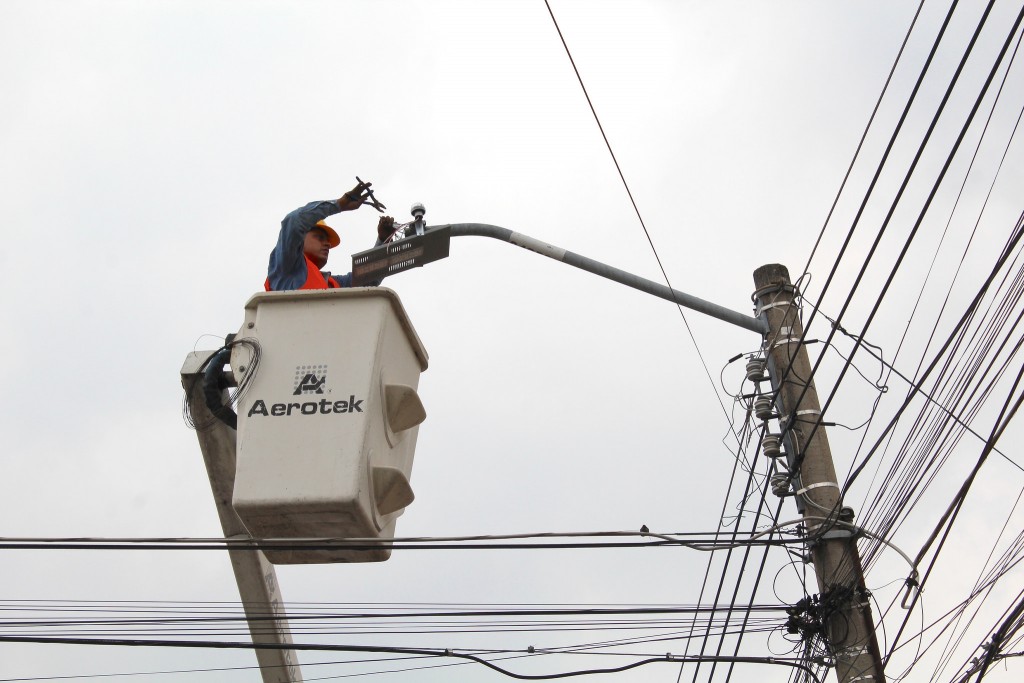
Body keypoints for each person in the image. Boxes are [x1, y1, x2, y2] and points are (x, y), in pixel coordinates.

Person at [264, 180, 395, 291]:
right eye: (319, 237)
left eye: (326, 240)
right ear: (300, 239)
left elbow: (369, 277)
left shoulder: (332, 284)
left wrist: (384, 241)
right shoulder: (286, 268)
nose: (327, 244)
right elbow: (293, 221)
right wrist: (339, 204)